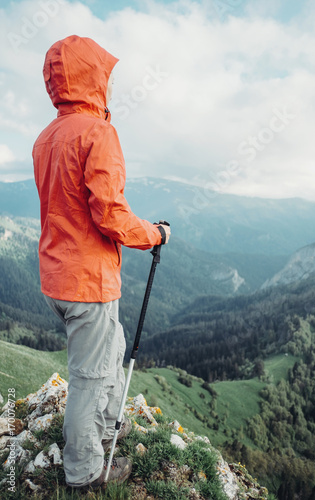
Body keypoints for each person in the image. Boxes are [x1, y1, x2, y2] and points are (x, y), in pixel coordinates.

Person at [32, 34, 170, 490]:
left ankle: (108, 426)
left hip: (56, 276)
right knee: (90, 377)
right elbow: (109, 213)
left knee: (112, 349)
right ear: (93, 78)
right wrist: (154, 233)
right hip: (87, 282)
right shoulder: (98, 133)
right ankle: (86, 472)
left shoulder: (45, 138)